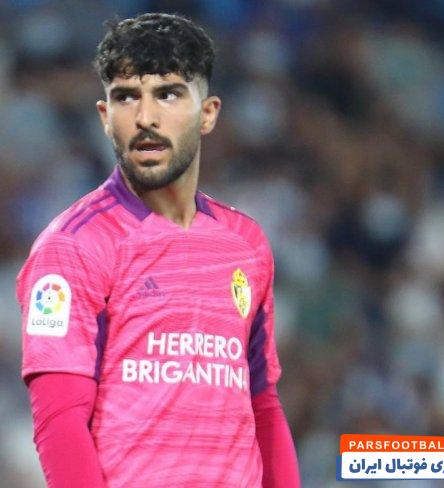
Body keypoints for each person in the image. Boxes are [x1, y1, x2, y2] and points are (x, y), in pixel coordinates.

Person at [16, 12, 300, 487]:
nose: (145, 117)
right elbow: (59, 421)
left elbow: (263, 405)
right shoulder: (73, 245)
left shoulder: (245, 244)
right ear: (105, 117)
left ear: (208, 113)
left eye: (168, 94)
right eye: (126, 97)